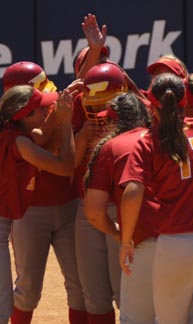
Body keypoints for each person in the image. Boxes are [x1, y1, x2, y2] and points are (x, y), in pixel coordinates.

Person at [2, 62, 87, 324]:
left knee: (10, 302)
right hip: (22, 217)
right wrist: (65, 124)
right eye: (38, 109)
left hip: (33, 215)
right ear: (22, 114)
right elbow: (64, 165)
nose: (44, 111)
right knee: (15, 299)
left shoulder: (15, 131)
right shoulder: (20, 141)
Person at [119, 72, 193, 324]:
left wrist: (125, 241)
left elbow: (133, 193)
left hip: (177, 243)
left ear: (153, 107)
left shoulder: (149, 141)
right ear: (185, 103)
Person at [84, 91, 159, 324]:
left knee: (137, 319)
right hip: (186, 239)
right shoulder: (168, 138)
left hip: (143, 243)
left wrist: (121, 236)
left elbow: (94, 213)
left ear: (113, 120)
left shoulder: (112, 147)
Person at [73, 61, 128, 324]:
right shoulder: (85, 126)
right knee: (94, 294)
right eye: (93, 104)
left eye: (105, 104)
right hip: (88, 210)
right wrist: (84, 137)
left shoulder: (137, 126)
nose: (98, 110)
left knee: (126, 294)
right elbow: (68, 165)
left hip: (123, 209)